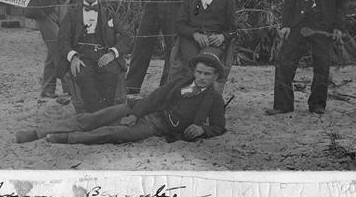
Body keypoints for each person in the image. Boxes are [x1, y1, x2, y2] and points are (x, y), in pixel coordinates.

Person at [15, 51, 226, 145]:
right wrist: (134, 113)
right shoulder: (181, 82)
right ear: (194, 71)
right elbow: (154, 97)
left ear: (215, 76)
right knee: (92, 118)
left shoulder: (214, 99)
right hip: (139, 108)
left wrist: (202, 129)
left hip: (157, 126)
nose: (201, 78)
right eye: (199, 72)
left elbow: (219, 126)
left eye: (208, 74)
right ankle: (37, 133)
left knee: (114, 133)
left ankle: (66, 139)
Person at [266, 0, 347, 116]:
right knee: (285, 62)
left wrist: (338, 26)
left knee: (322, 64)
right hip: (298, 23)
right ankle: (283, 105)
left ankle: (317, 104)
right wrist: (286, 25)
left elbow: (341, 0)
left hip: (324, 24)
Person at [58, 0, 131, 112]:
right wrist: (73, 57)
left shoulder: (109, 13)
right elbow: (62, 40)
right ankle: (95, 115)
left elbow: (126, 37)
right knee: (83, 75)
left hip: (104, 54)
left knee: (110, 72)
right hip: (81, 55)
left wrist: (112, 53)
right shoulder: (72, 14)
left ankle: (105, 113)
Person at [168, 0, 236, 94]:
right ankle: (183, 98)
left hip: (214, 42)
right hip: (191, 39)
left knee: (206, 63)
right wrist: (195, 34)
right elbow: (179, 24)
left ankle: (205, 99)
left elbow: (233, 29)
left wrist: (222, 37)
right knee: (189, 63)